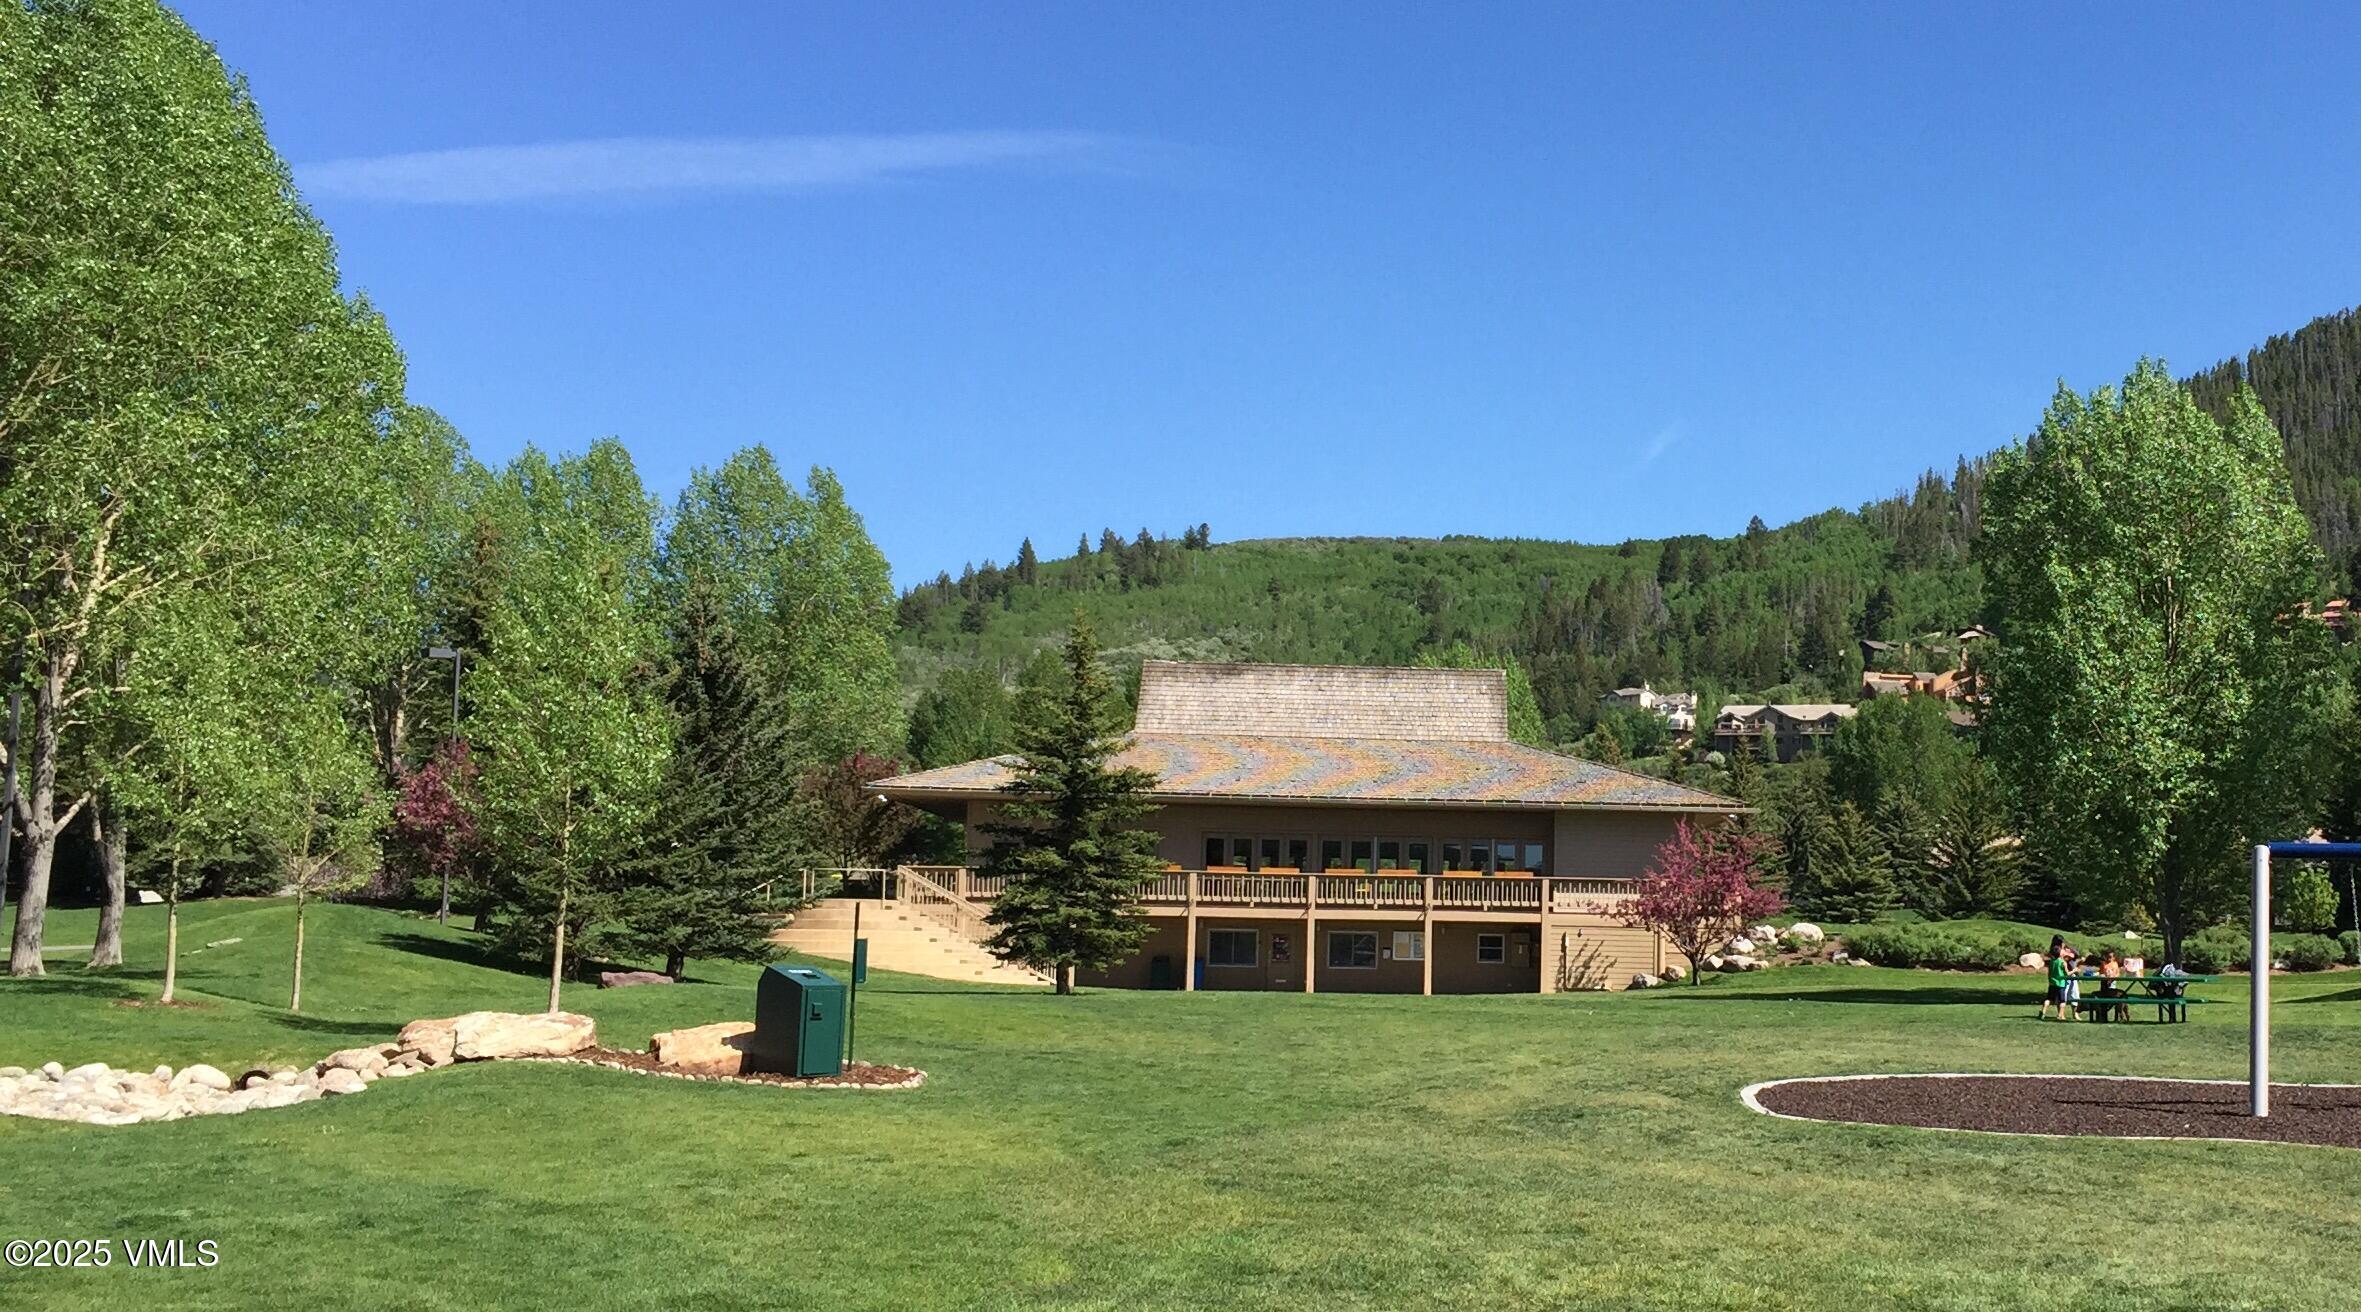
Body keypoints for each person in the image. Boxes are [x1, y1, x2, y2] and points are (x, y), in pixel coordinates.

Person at [2041, 936, 2074, 1020]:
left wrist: (2049, 980)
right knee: (2062, 1001)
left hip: (2052, 983)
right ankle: (2060, 1015)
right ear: (2060, 953)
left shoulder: (2052, 962)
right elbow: (2067, 974)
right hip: (2061, 983)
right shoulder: (2063, 962)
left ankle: (2043, 1011)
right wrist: (2074, 970)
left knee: (2049, 999)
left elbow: (2049, 972)